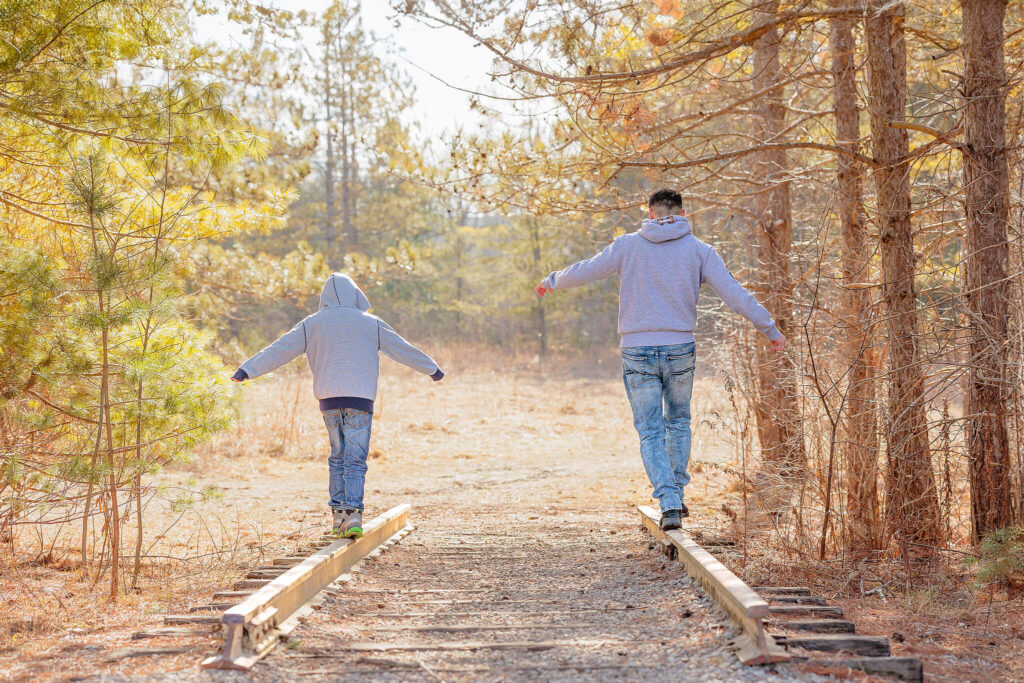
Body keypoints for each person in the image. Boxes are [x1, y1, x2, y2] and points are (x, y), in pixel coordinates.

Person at [536, 189, 785, 530]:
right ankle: (675, 498)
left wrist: (553, 281)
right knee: (678, 422)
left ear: (649, 214)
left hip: (637, 350)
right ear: (685, 213)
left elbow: (587, 270)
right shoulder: (700, 251)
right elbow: (735, 295)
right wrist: (769, 329)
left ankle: (669, 501)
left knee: (651, 431)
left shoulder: (626, 246)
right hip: (680, 348)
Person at [231, 273, 444, 538]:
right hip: (360, 400)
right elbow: (402, 348)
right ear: (356, 295)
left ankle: (338, 517)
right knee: (355, 459)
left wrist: (246, 370)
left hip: (329, 401)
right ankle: (353, 514)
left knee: (337, 457)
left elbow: (279, 349)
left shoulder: (313, 323)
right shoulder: (371, 323)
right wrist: (432, 369)